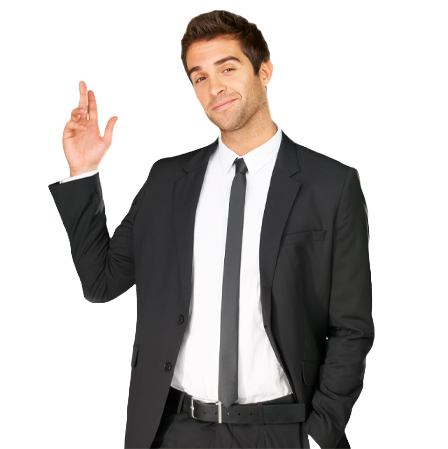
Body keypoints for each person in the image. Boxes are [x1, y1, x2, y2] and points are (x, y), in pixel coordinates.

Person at [49, 10, 374, 449]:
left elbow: (352, 326)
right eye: (199, 77)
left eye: (228, 68)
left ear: (264, 71)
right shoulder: (168, 180)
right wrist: (83, 171)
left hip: (282, 431)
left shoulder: (331, 185)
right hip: (175, 430)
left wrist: (322, 430)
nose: (213, 87)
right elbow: (101, 282)